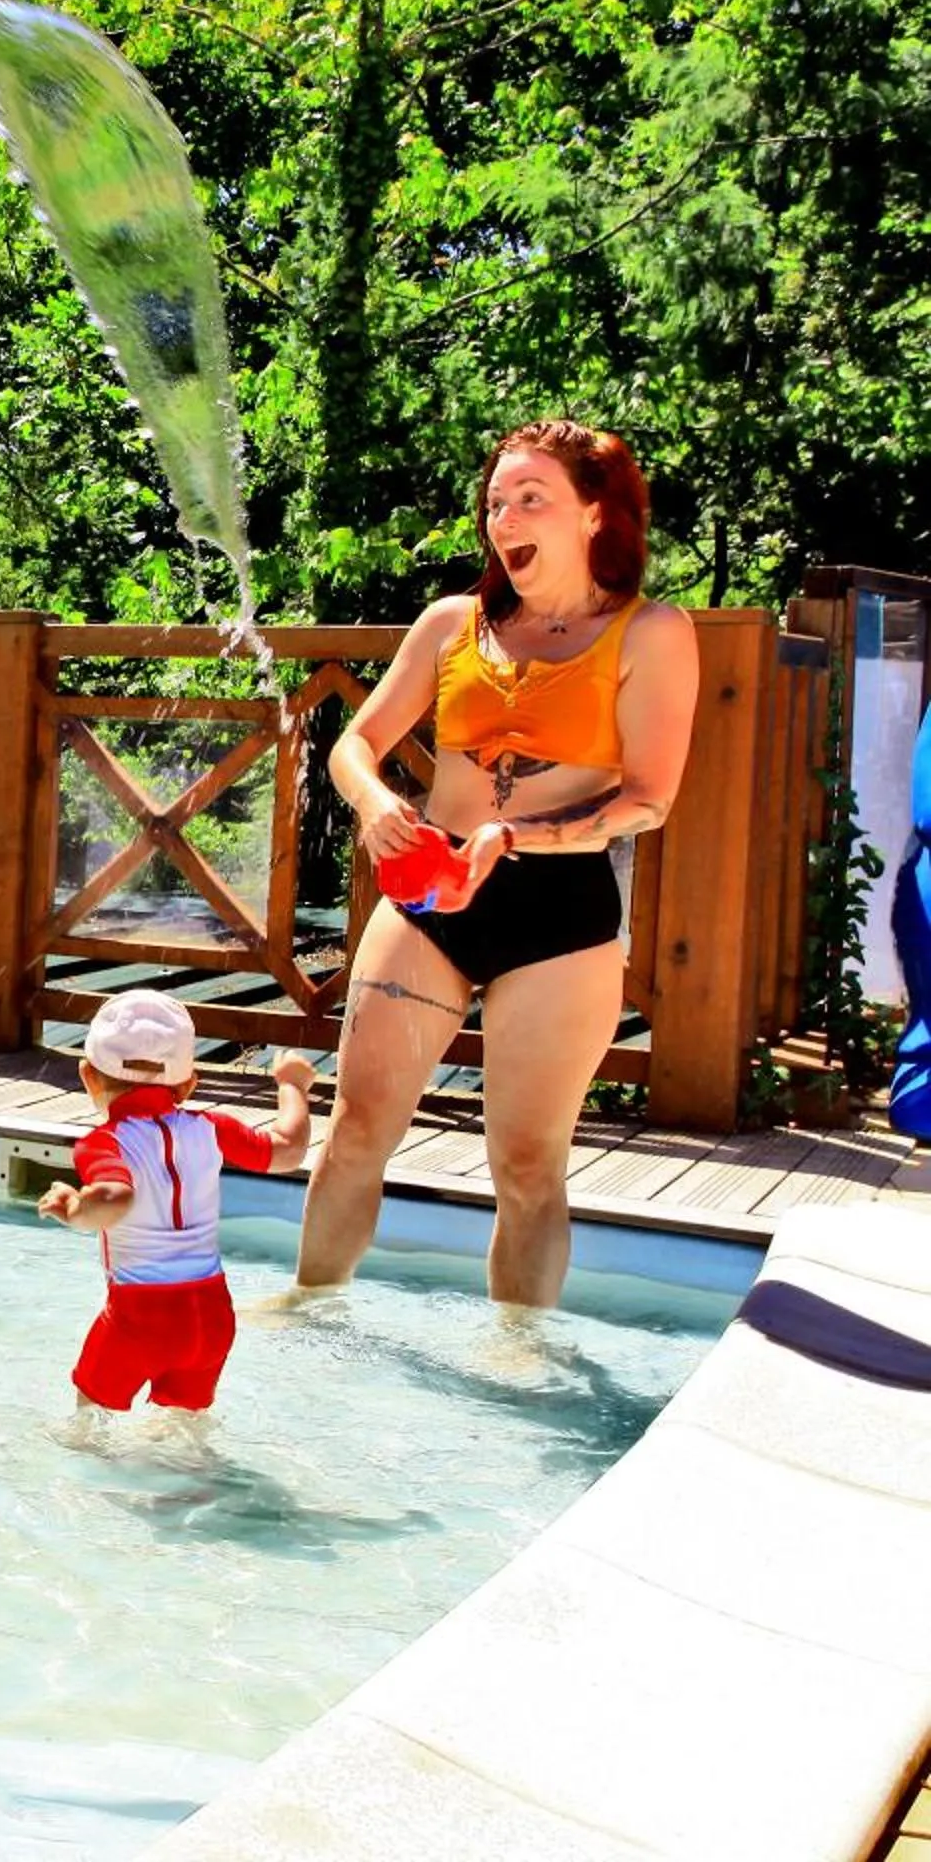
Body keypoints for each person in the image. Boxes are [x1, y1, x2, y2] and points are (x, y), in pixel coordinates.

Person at [272, 420, 697, 1314]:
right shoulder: (449, 624)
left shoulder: (650, 632)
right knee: (354, 1130)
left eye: (531, 498)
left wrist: (520, 842)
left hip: (559, 913)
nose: (505, 517)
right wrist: (377, 801)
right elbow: (356, 742)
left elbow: (649, 800)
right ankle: (308, 1318)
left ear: (593, 515)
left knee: (529, 1163)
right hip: (428, 894)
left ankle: (520, 1356)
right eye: (497, 501)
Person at [37, 992, 317, 1428]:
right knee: (185, 1431)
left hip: (140, 1317)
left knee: (87, 1420)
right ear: (188, 1084)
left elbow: (113, 1198)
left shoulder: (104, 1143)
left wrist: (74, 1209)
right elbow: (288, 1151)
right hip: (212, 1316)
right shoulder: (211, 1128)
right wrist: (292, 1087)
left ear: (88, 1076)